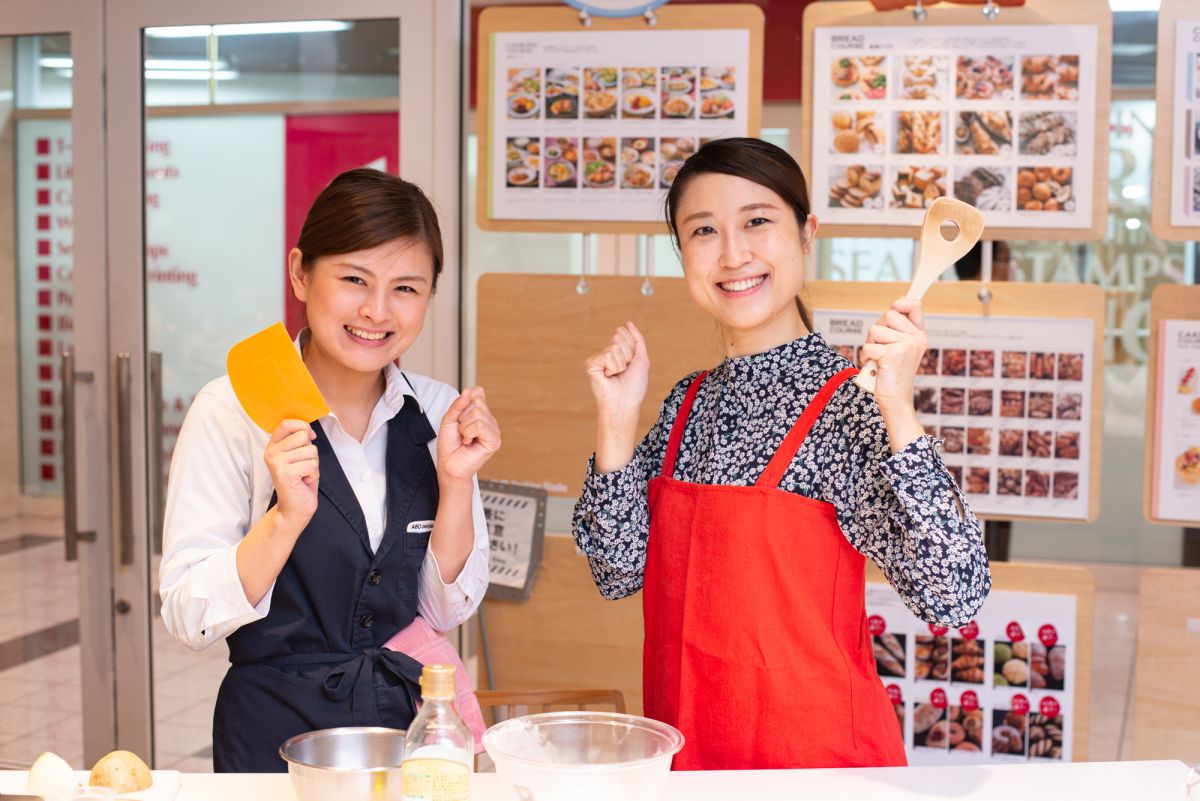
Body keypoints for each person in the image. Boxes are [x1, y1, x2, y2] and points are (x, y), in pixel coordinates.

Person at [572, 138, 990, 770]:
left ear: (806, 235)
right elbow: (617, 573)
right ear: (683, 254)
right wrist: (616, 423)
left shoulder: (853, 405)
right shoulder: (687, 405)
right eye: (704, 230)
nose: (733, 253)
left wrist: (900, 410)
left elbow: (954, 598)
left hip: (818, 771)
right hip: (691, 766)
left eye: (757, 222)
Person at [159, 168, 499, 772]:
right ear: (299, 273)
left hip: (405, 731)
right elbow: (188, 613)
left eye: (406, 288)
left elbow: (443, 612)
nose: (376, 310)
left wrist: (455, 485)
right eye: (353, 279)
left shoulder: (438, 410)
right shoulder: (232, 410)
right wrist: (284, 521)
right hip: (274, 740)